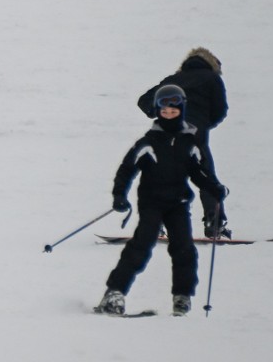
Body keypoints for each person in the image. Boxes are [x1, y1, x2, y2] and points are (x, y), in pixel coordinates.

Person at [96, 85, 228, 317]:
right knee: (141, 246)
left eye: (173, 111)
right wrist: (119, 195)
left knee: (184, 250)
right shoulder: (149, 142)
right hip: (151, 203)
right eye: (164, 111)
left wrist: (215, 188)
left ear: (181, 110)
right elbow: (127, 169)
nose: (168, 114)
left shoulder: (190, 143)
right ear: (158, 112)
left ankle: (182, 297)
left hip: (178, 204)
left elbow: (199, 173)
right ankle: (114, 293)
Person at [137, 47, 230, 238]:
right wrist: (204, 124)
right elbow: (220, 110)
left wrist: (161, 114)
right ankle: (214, 222)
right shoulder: (213, 79)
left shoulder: (173, 81)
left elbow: (144, 102)